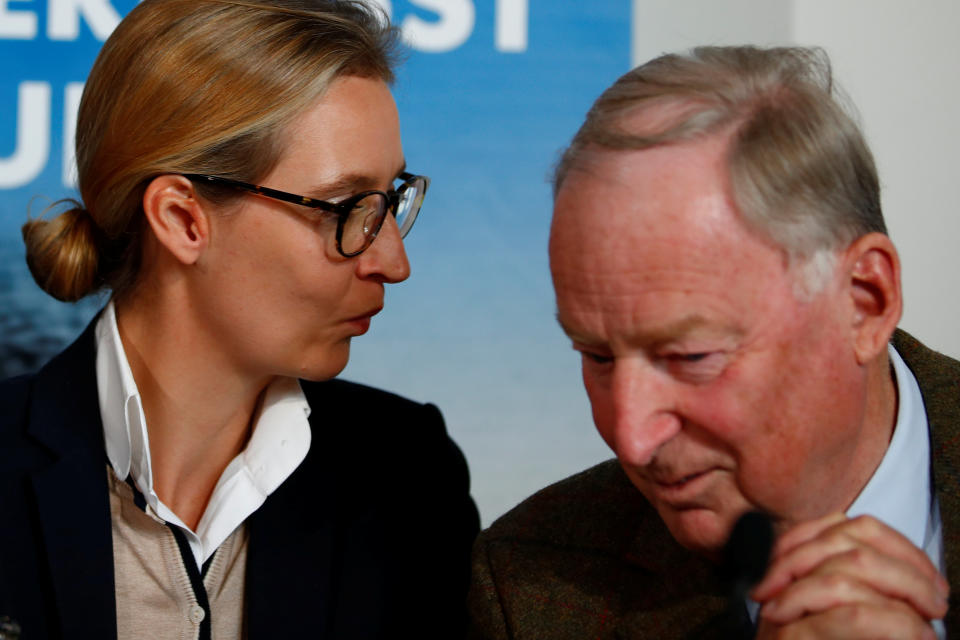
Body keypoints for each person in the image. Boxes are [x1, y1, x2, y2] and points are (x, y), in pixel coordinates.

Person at [0, 1, 479, 638]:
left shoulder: (408, 481)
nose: (393, 261)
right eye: (346, 208)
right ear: (182, 220)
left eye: (390, 200)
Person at [468, 45, 959, 639]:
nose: (632, 436)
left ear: (863, 302)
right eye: (597, 356)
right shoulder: (532, 584)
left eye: (690, 358)